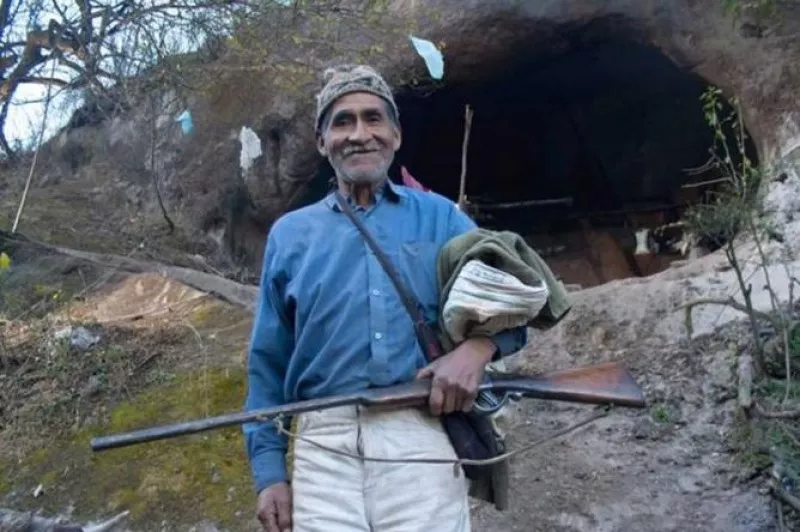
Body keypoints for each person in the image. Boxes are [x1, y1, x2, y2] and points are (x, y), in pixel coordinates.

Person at [243, 64, 528, 532]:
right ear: (322, 143)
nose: (360, 134)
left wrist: (477, 351)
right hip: (323, 446)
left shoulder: (442, 219)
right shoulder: (290, 236)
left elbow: (519, 297)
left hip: (420, 430)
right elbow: (267, 364)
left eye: (374, 118)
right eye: (342, 121)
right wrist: (270, 474)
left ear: (395, 135)